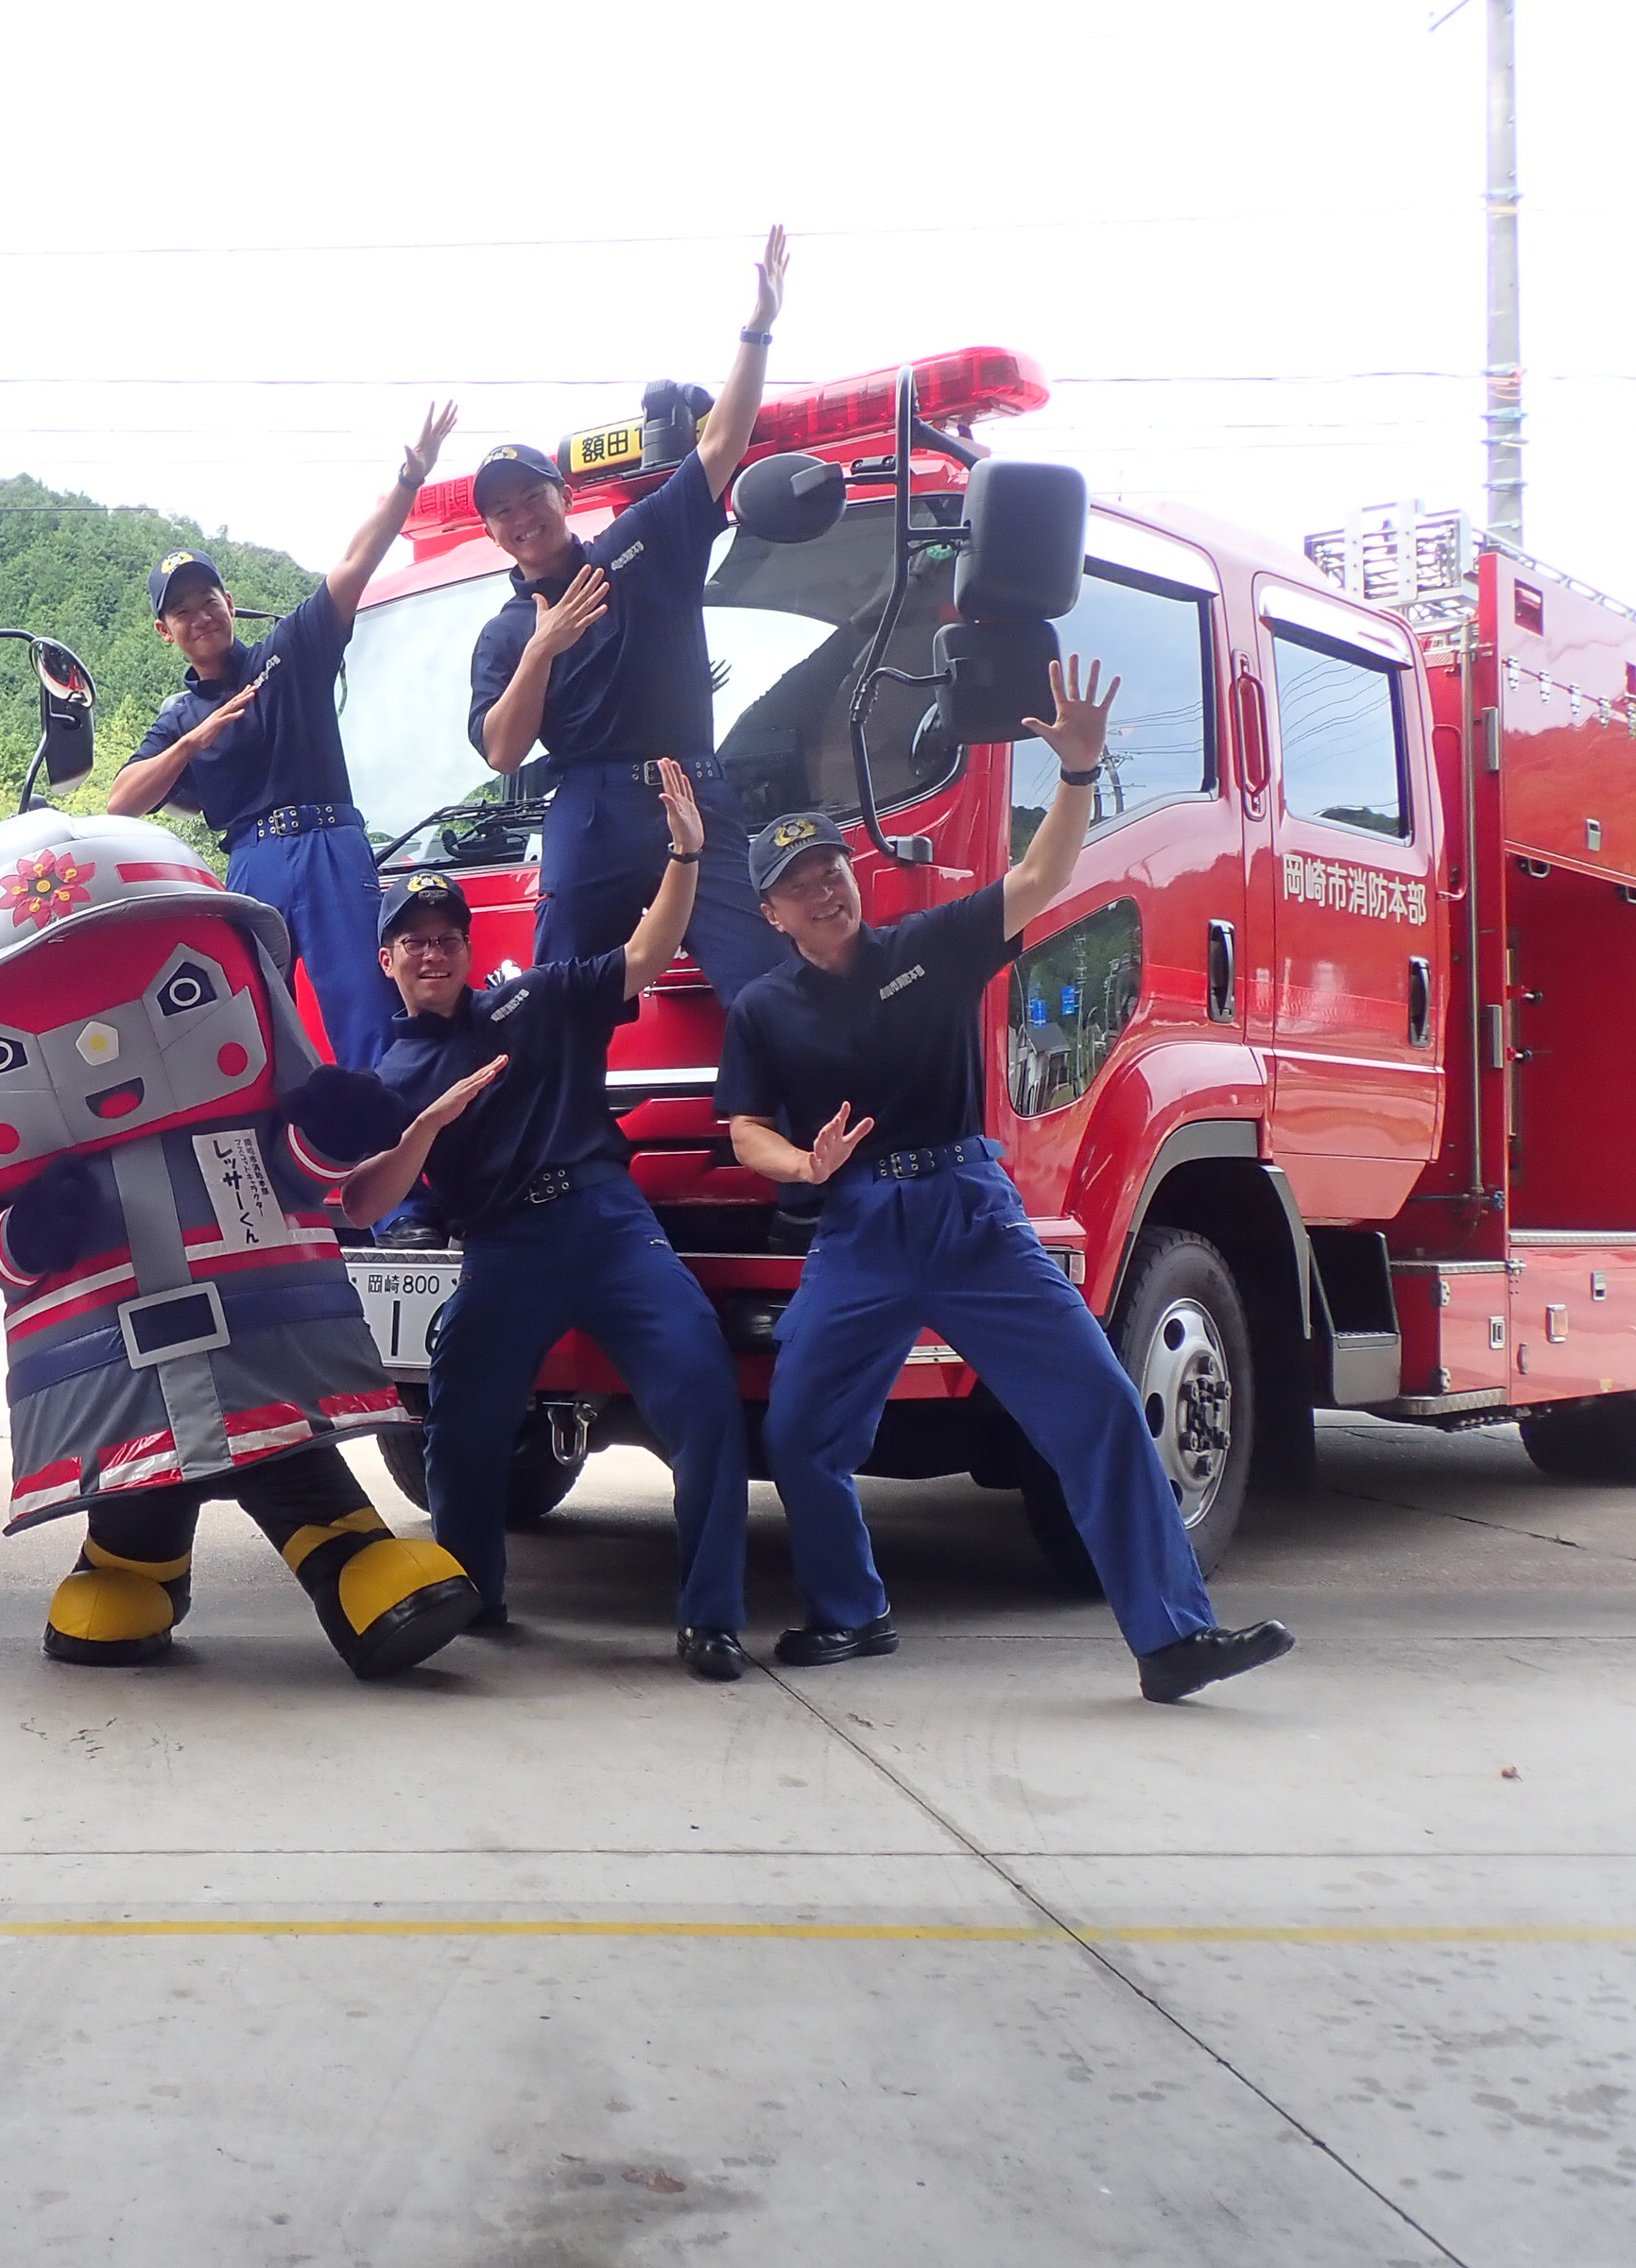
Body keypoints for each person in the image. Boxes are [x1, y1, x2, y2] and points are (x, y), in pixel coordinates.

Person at [715, 659, 1297, 1704]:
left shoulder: (929, 946)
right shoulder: (763, 1010)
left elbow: (1036, 878)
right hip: (859, 1228)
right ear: (772, 913)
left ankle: (1171, 1637)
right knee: (799, 1435)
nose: (824, 887)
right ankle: (851, 1611)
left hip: (970, 1214)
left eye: (833, 867)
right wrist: (803, 1164)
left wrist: (1074, 773)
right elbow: (745, 1129)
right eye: (799, 883)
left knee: (1099, 1405)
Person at [344, 760, 754, 1677]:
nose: (432, 953)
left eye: (447, 938)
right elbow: (360, 1201)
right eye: (412, 941)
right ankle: (472, 1591)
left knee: (701, 1392)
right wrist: (424, 1127)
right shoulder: (387, 1080)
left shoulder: (534, 997)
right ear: (386, 961)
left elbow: (646, 955)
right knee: (459, 1423)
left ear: (466, 948)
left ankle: (711, 1619)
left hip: (606, 1222)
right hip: (503, 1250)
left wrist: (685, 854)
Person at [466, 226, 796, 1001]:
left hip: (693, 787)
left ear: (564, 496)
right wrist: (543, 648)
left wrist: (758, 328)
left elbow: (722, 443)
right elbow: (503, 754)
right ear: (490, 531)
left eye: (532, 496)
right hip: (590, 810)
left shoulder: (640, 543)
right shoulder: (504, 633)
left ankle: (774, 1086)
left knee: (769, 994)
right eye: (502, 511)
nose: (521, 517)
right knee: (560, 1001)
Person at [106, 404, 463, 1069]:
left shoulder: (289, 651)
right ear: (164, 631)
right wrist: (192, 742)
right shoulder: (179, 716)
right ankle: (285, 1138)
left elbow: (355, 563)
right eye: (180, 611)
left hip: (331, 845)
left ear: (229, 602)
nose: (199, 616)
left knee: (371, 1014)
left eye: (208, 600)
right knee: (258, 1027)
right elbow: (120, 802)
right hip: (252, 863)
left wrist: (409, 482)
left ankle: (396, 1136)